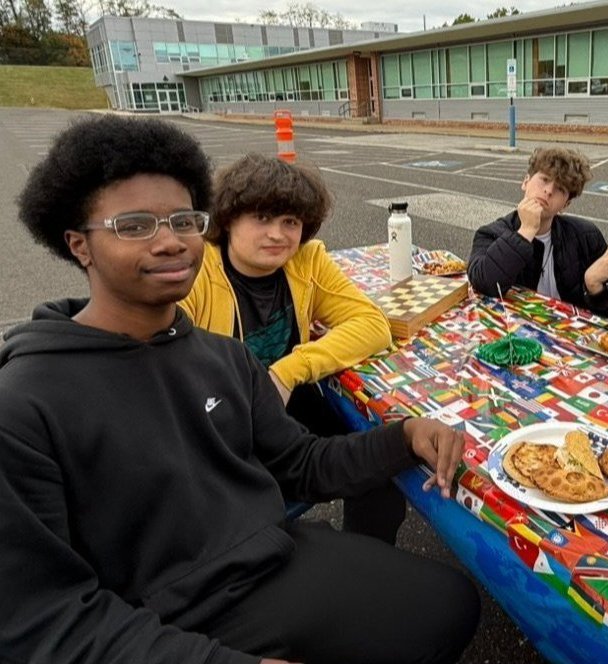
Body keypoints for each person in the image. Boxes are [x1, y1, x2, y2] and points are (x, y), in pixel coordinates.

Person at [1, 115, 480, 663]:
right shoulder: (25, 401)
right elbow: (40, 616)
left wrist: (405, 437)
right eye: (134, 225)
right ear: (79, 246)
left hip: (263, 558)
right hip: (148, 613)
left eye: (184, 221)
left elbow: (300, 462)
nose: (169, 242)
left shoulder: (222, 356)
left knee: (449, 603)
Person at [180, 154, 405, 545]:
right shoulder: (197, 270)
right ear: (229, 218)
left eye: (290, 222)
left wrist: (288, 370)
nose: (278, 235)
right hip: (219, 422)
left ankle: (365, 568)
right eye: (263, 218)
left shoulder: (307, 260)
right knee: (250, 527)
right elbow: (160, 362)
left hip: (287, 405)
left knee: (378, 474)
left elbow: (373, 325)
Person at [468, 146, 608, 320]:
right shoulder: (491, 234)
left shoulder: (586, 237)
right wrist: (525, 232)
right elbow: (483, 286)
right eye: (544, 179)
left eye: (560, 189)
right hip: (517, 337)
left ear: (565, 205)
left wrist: (594, 287)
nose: (548, 191)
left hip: (571, 338)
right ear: (526, 182)